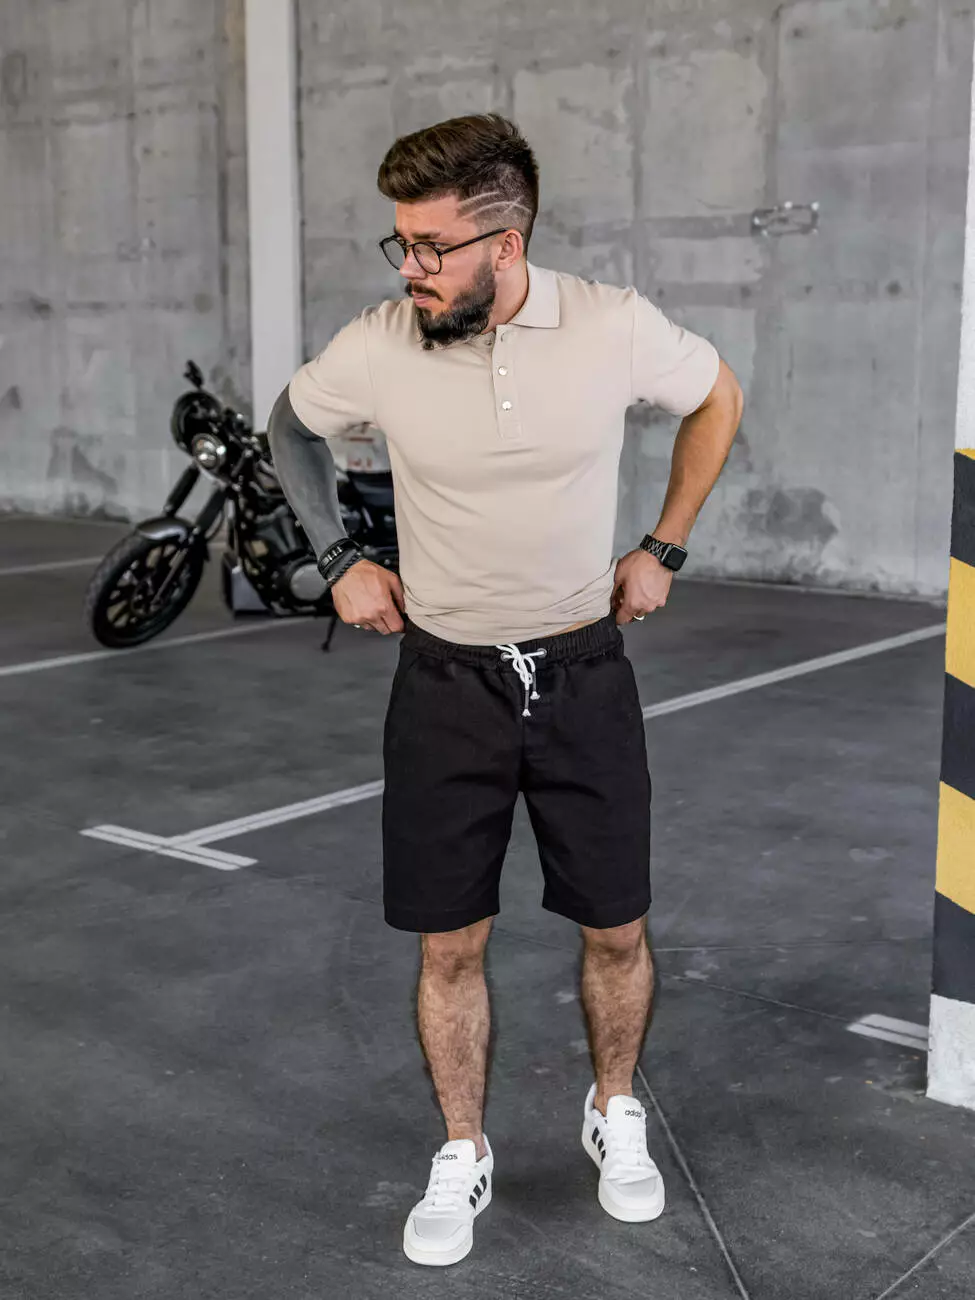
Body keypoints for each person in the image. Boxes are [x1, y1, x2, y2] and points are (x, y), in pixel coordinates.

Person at [267, 113, 743, 1268]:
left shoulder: (612, 324)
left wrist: (664, 546)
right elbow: (289, 424)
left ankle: (613, 1108)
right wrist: (338, 558)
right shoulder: (381, 342)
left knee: (617, 928)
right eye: (401, 243)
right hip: (444, 682)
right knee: (448, 945)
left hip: (584, 671)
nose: (411, 268)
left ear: (507, 243)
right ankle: (463, 1146)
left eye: (432, 246)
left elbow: (717, 395)